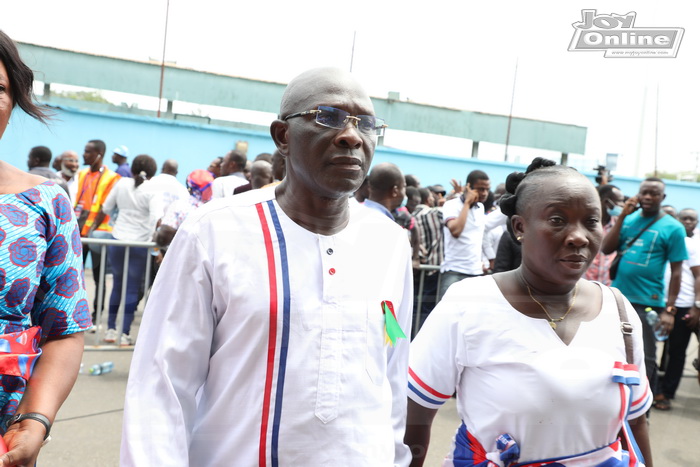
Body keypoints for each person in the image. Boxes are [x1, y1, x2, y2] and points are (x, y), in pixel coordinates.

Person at [122, 67, 412, 466]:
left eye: (365, 123)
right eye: (326, 117)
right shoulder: (214, 231)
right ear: (283, 137)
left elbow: (392, 376)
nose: (351, 135)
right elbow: (162, 384)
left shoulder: (390, 242)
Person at [405, 158, 653, 466]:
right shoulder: (468, 304)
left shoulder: (619, 309)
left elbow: (637, 421)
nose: (578, 236)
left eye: (591, 221)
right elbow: (414, 417)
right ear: (519, 227)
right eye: (558, 220)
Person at [0, 29, 91, 466]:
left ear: (13, 100)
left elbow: (64, 327)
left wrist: (34, 420)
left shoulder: (45, 201)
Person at [601, 177, 687, 398]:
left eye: (654, 193)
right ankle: (613, 400)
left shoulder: (673, 228)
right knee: (612, 351)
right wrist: (621, 216)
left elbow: (677, 271)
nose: (648, 197)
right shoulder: (629, 220)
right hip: (618, 298)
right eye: (644, 193)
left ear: (663, 197)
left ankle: (642, 409)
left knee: (645, 356)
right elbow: (606, 248)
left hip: (648, 303)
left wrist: (670, 310)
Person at [100, 155, 160, 346]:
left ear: (132, 169)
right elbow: (155, 218)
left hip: (117, 240)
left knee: (117, 284)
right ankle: (124, 334)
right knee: (132, 288)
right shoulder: (153, 189)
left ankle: (110, 330)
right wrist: (153, 241)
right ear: (152, 172)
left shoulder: (121, 183)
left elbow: (107, 207)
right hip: (139, 245)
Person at [654, 208, 700, 410]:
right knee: (659, 350)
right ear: (677, 220)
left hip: (684, 306)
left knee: (677, 352)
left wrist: (696, 306)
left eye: (692, 219)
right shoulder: (667, 240)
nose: (688, 222)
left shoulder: (691, 245)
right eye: (684, 218)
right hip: (661, 302)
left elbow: (698, 276)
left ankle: (666, 393)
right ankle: (656, 390)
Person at [438, 170, 505, 299]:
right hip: (454, 272)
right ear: (468, 187)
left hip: (476, 273)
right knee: (447, 317)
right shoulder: (451, 205)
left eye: (487, 189)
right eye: (480, 189)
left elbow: (480, 236)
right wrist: (467, 203)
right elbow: (456, 231)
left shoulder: (480, 207)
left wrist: (487, 259)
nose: (484, 193)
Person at [74, 139, 121, 321]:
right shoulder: (82, 174)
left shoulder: (112, 178)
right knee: (74, 276)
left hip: (97, 234)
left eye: (88, 152)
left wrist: (92, 229)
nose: (84, 155)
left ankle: (96, 315)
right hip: (78, 232)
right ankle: (75, 313)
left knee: (98, 277)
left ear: (99, 155)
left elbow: (105, 208)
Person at [585, 184, 625, 286]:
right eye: (619, 201)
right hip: (583, 284)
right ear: (607, 202)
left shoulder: (619, 224)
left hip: (607, 286)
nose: (623, 205)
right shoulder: (583, 223)